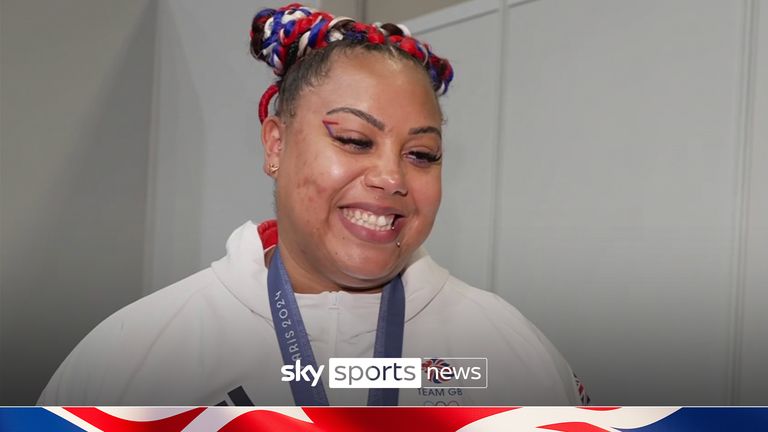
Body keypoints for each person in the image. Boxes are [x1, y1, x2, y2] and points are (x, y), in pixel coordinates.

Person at [38, 3, 586, 406]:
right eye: (353, 140)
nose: (392, 177)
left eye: (421, 153)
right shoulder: (134, 355)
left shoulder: (513, 353)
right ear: (276, 144)